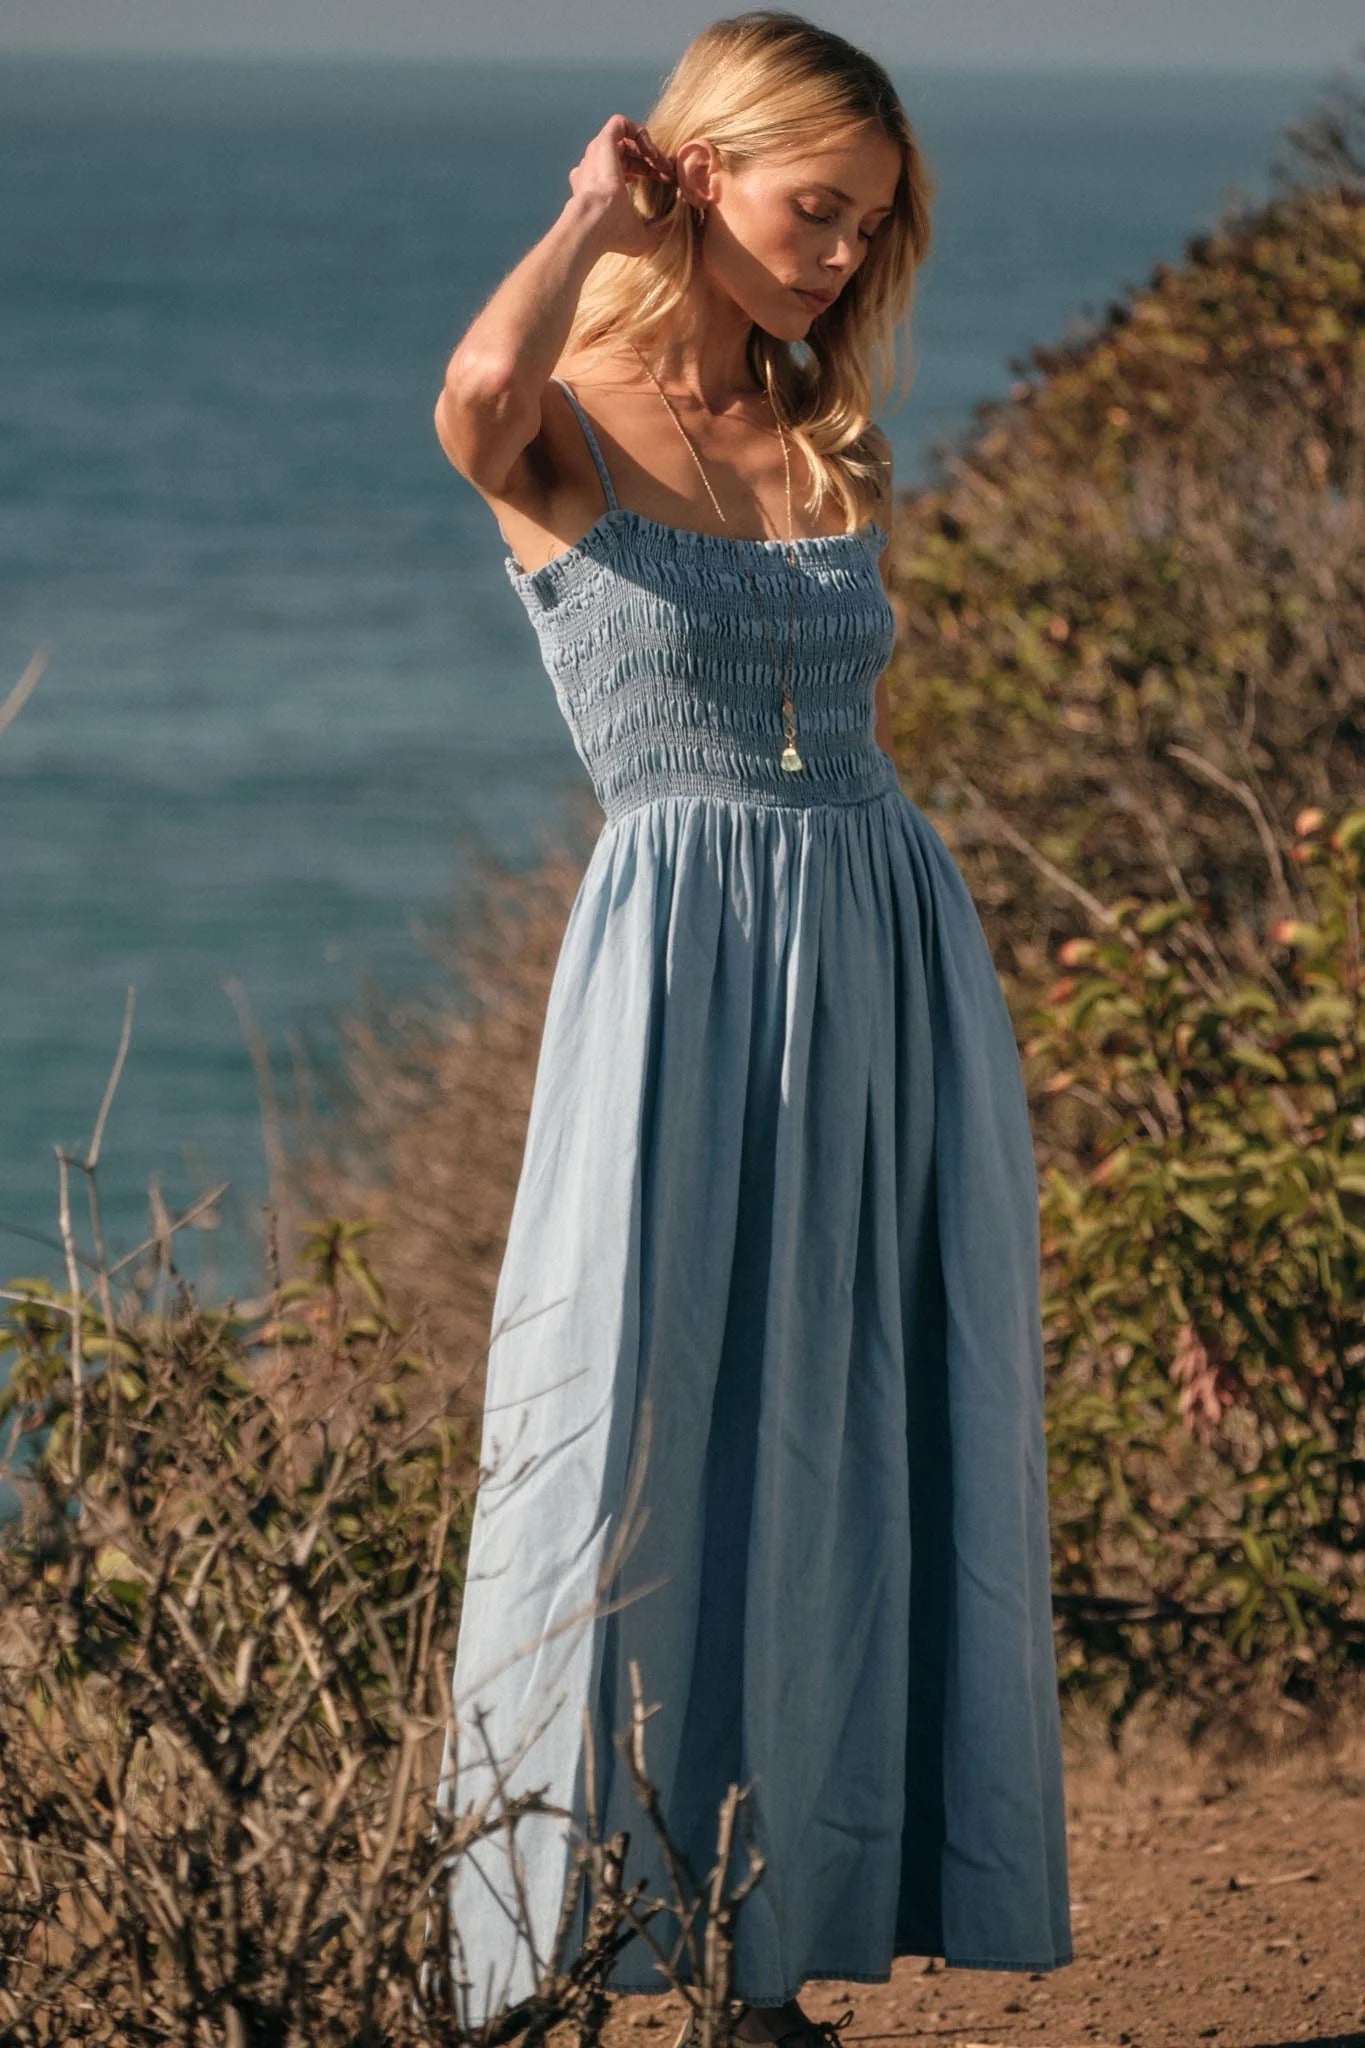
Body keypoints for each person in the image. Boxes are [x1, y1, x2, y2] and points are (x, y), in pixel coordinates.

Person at [430, 12, 1073, 2045]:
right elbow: (467, 389)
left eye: (867, 229)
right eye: (813, 211)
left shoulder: (830, 441)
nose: (836, 257)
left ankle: (762, 1950)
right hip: (675, 962)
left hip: (880, 938)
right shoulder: (560, 428)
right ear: (695, 176)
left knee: (850, 1419)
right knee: (627, 1412)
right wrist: (572, 219)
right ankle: (548, 1940)